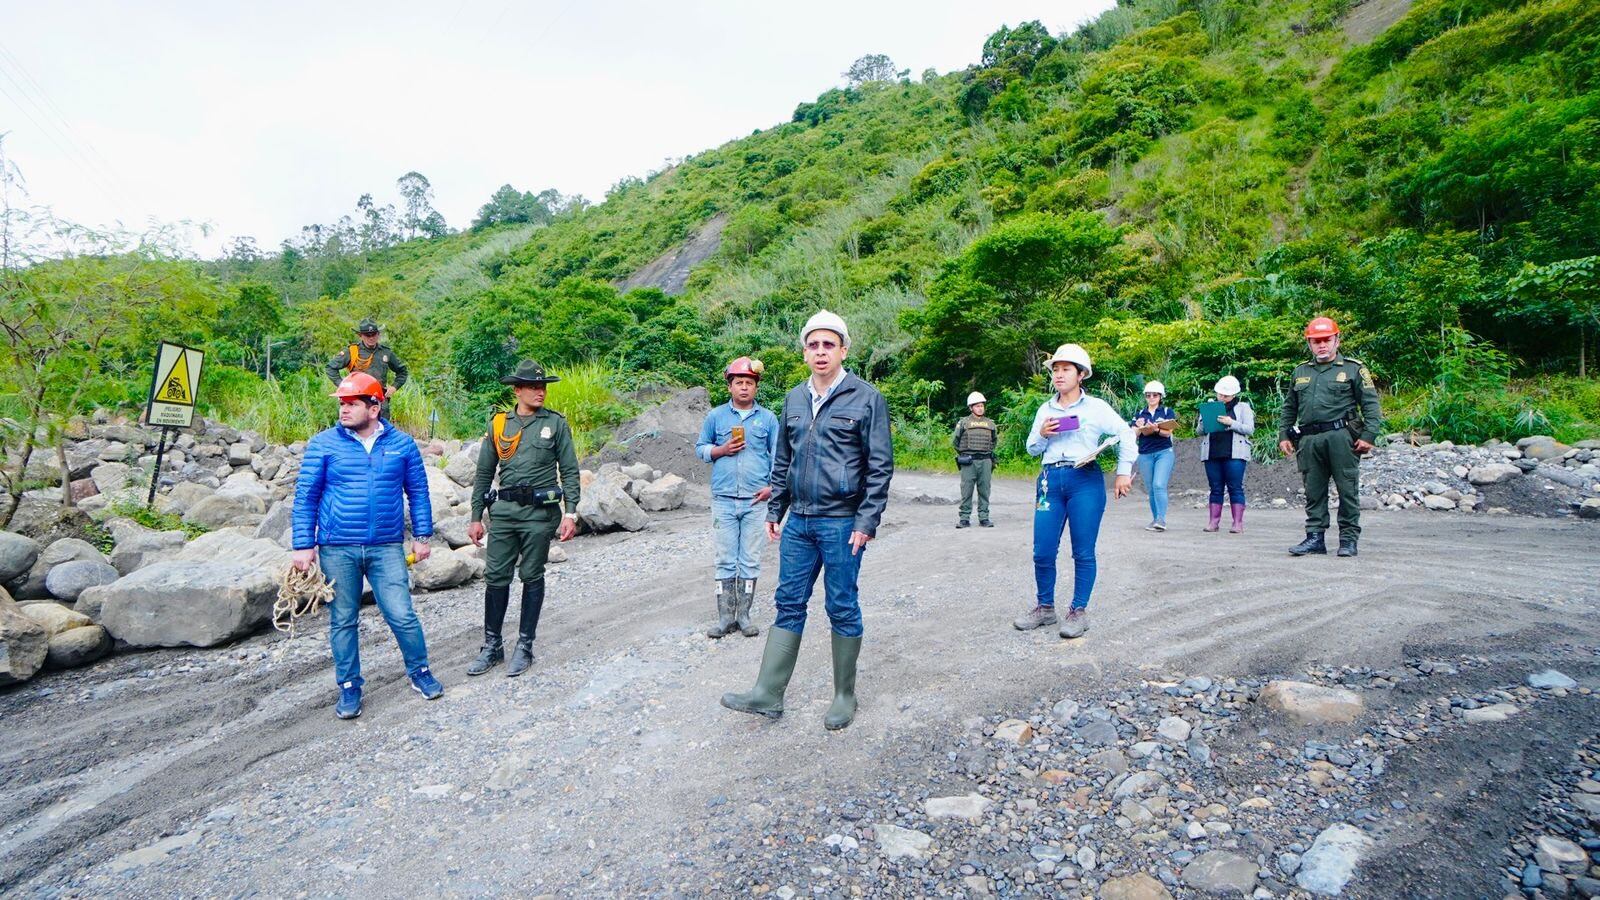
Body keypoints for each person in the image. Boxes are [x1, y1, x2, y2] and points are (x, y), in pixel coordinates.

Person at [721, 310, 893, 731]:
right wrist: (776, 509)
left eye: (828, 344)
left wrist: (866, 522)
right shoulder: (794, 398)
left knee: (842, 605)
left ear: (843, 350)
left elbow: (880, 466)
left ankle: (844, 696)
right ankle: (767, 693)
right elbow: (785, 459)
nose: (820, 352)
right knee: (789, 602)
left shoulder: (866, 397)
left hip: (841, 522)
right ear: (804, 352)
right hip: (798, 521)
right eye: (813, 345)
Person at [292, 372, 442, 719]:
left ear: (374, 408)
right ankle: (348, 687)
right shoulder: (323, 444)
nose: (343, 410)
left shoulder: (402, 445)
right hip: (336, 548)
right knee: (343, 620)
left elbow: (418, 492)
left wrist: (422, 537)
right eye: (342, 404)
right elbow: (306, 497)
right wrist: (303, 545)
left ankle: (419, 671)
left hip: (386, 547)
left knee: (402, 615)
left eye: (351, 404)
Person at [464, 360, 581, 677]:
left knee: (532, 575)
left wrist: (570, 512)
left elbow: (569, 470)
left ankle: (525, 646)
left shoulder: (555, 424)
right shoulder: (500, 424)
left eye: (542, 386)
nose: (540, 392)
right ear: (517, 390)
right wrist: (476, 516)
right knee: (496, 577)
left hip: (540, 515)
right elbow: (484, 473)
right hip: (503, 515)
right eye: (533, 387)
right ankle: (492, 646)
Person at [1013, 343, 1135, 640]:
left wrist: (1122, 472)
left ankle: (1078, 611)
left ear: (1082, 374)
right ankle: (1045, 608)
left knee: (1082, 550)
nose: (1059, 374)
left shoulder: (1096, 408)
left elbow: (1126, 434)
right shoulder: (1045, 408)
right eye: (1055, 369)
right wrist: (1042, 434)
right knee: (1042, 550)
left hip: (1085, 480)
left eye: (1066, 369)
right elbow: (1031, 448)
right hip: (1049, 481)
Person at [1279, 316, 1383, 557]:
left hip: (1341, 437)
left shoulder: (1353, 369)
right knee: (1313, 491)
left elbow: (1371, 405)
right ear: (1309, 343)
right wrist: (1284, 434)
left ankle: (1348, 540)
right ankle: (1315, 538)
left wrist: (1369, 435)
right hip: (1309, 440)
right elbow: (1289, 407)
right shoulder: (1300, 371)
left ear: (1337, 340)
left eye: (1327, 340)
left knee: (1347, 489)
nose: (1322, 345)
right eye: (1316, 341)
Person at [696, 356, 780, 638]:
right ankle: (724, 618)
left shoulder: (768, 419)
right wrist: (721, 450)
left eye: (749, 383)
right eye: (739, 382)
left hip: (756, 501)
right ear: (729, 386)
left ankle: (743, 616)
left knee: (750, 560)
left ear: (756, 387)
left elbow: (779, 458)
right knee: (725, 559)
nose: (744, 387)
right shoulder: (715, 417)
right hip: (723, 500)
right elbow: (700, 449)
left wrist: (772, 487)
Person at [1199, 375, 1255, 533]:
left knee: (1235, 487)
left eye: (1226, 395)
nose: (1222, 397)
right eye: (1220, 394)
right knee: (1215, 488)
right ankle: (1213, 522)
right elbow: (1199, 431)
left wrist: (1231, 423)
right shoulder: (1210, 406)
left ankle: (1237, 523)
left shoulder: (1243, 407)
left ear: (1234, 394)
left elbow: (1249, 429)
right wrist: (1205, 419)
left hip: (1235, 453)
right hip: (1212, 452)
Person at [326, 318, 409, 419]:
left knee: (382, 430)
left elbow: (402, 371)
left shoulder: (386, 352)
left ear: (378, 334)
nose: (371, 338)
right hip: (357, 398)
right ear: (360, 335)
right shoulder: (352, 351)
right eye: (367, 335)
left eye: (373, 334)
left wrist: (394, 387)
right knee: (357, 429)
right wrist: (343, 385)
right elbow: (331, 367)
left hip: (379, 399)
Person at [1130, 381, 1176, 531]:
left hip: (1164, 452)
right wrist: (1138, 425)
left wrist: (1156, 429)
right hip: (1145, 453)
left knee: (1159, 485)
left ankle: (1161, 520)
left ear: (1160, 396)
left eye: (1154, 395)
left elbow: (1167, 433)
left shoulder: (1167, 411)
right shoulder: (1140, 413)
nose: (1151, 397)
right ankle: (1156, 519)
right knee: (1151, 488)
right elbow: (1133, 435)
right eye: (1148, 395)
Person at [952, 391, 998, 529]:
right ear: (971, 407)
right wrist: (965, 454)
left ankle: (984, 517)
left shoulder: (990, 424)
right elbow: (956, 441)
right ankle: (964, 518)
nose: (980, 408)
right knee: (966, 490)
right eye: (977, 406)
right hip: (969, 461)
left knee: (984, 490)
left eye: (982, 406)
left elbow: (994, 441)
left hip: (985, 461)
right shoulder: (963, 423)